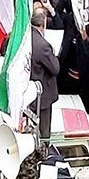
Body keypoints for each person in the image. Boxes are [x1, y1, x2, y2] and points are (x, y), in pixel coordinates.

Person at [30, 8, 60, 140]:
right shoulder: (43, 46)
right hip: (41, 100)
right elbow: (55, 68)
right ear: (43, 23)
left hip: (27, 97)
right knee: (44, 136)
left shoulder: (25, 38)